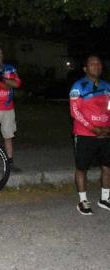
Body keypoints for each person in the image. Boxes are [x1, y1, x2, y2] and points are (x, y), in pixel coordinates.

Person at [69, 54, 110, 215]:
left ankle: (105, 198)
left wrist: (107, 128)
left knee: (107, 166)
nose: (97, 66)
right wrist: (93, 128)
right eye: (92, 64)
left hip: (106, 134)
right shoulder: (78, 86)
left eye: (99, 63)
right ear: (85, 68)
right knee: (82, 168)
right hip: (85, 133)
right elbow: (74, 112)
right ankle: (83, 200)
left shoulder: (107, 86)